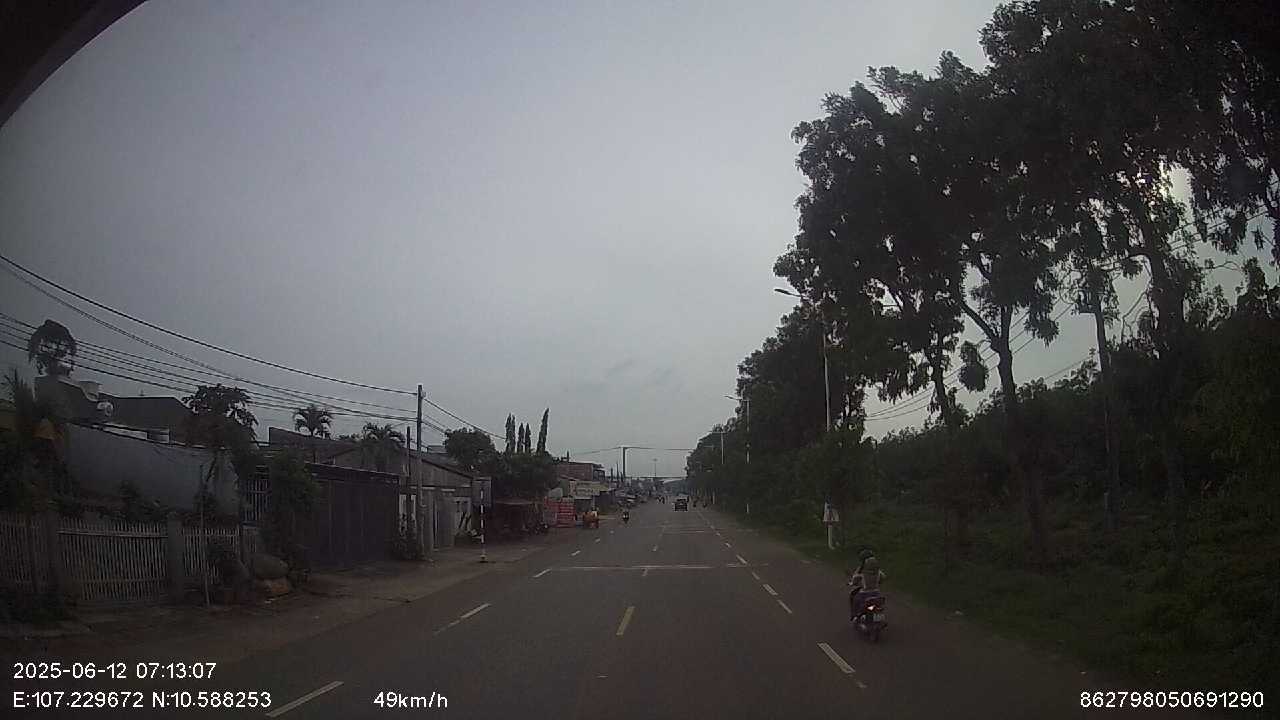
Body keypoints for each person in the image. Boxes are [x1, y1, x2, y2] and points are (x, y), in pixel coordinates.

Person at [848, 548, 885, 621]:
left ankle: (855, 616)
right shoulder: (877, 570)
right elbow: (883, 578)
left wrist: (852, 583)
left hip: (864, 594)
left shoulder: (862, 570)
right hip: (876, 593)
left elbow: (855, 579)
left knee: (855, 600)